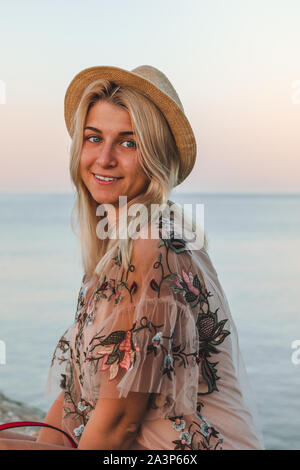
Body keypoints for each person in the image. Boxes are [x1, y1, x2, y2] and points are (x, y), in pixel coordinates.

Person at [0, 65, 265, 450]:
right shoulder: (118, 247)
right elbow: (73, 394)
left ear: (155, 156)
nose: (104, 158)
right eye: (94, 138)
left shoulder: (152, 244)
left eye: (128, 142)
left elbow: (119, 424)